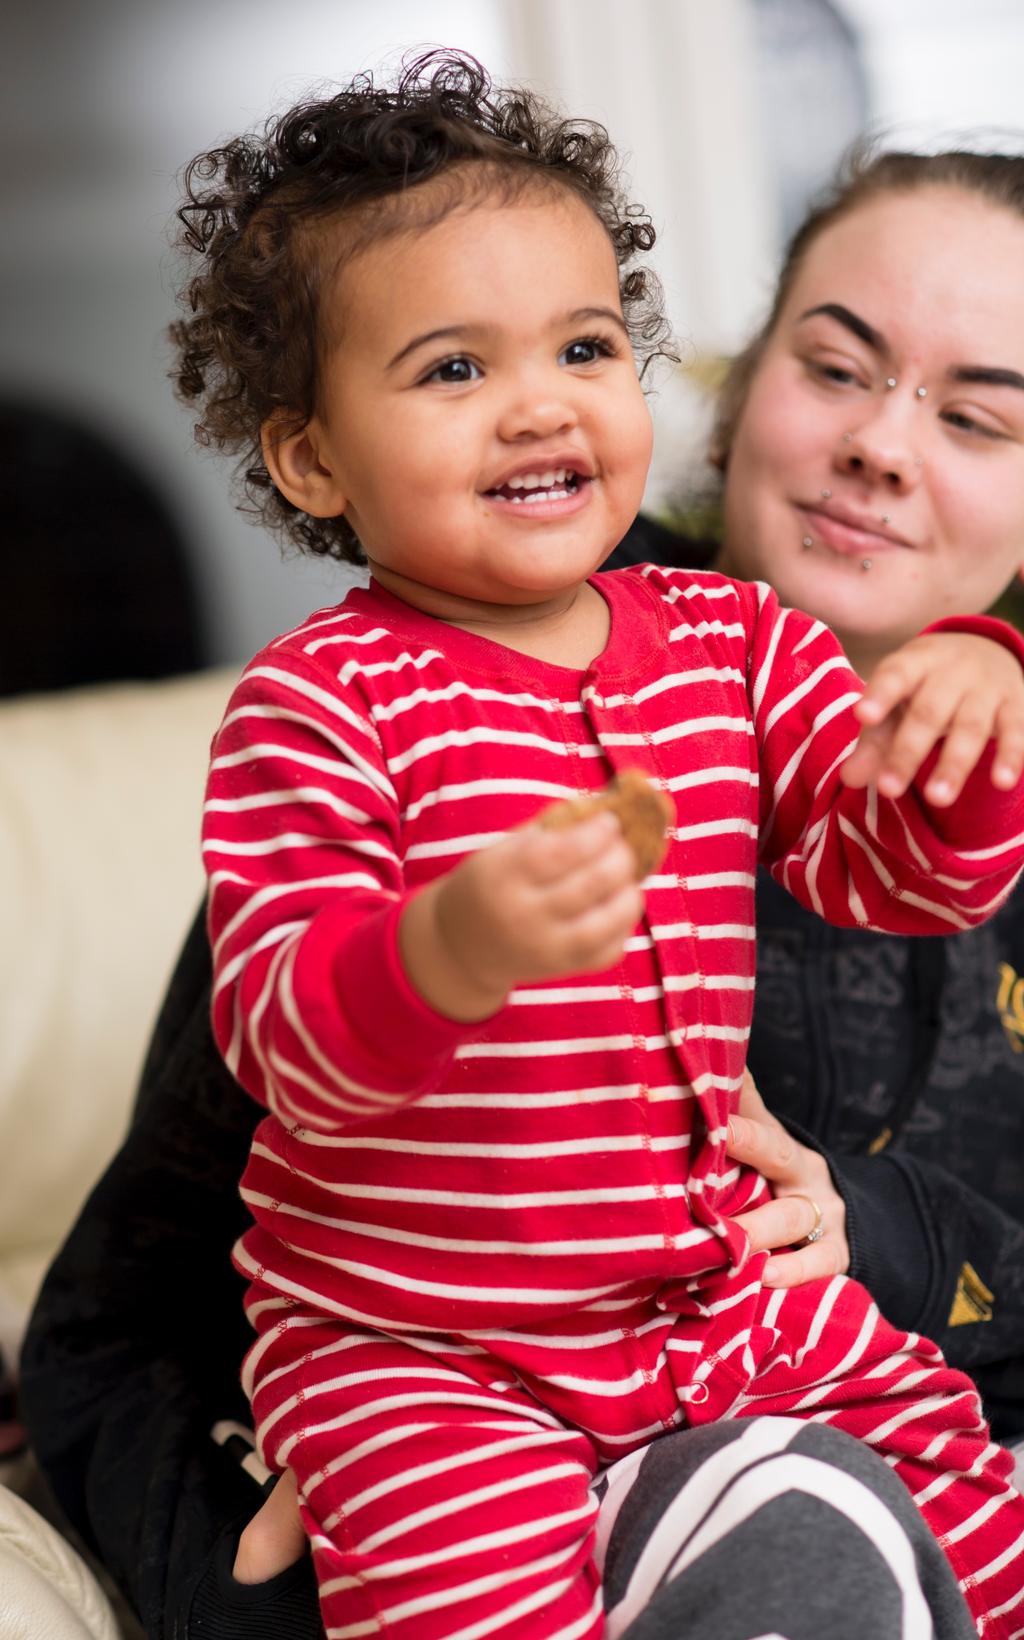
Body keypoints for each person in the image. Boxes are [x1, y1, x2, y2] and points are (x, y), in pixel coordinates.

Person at [19, 93, 1024, 1634]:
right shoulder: (324, 703)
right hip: (429, 1352)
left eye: (581, 347)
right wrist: (448, 947)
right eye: (834, 367)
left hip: (711, 1306)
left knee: (969, 1503)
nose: (883, 445)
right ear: (312, 459)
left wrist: (970, 738)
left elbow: (879, 861)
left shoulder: (741, 651)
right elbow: (277, 1056)